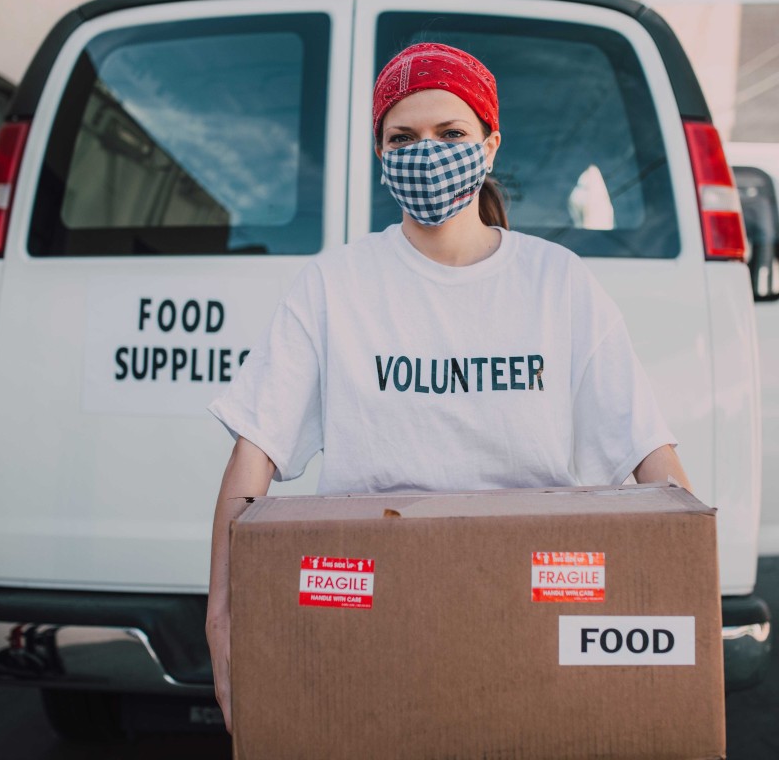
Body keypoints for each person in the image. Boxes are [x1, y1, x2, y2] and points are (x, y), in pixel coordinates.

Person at [203, 42, 692, 730]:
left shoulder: (557, 283)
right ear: (380, 153)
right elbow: (252, 455)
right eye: (402, 137)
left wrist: (682, 611)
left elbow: (652, 460)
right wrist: (223, 616)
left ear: (489, 145)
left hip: (528, 608)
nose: (425, 152)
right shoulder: (335, 286)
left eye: (451, 133)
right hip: (370, 613)